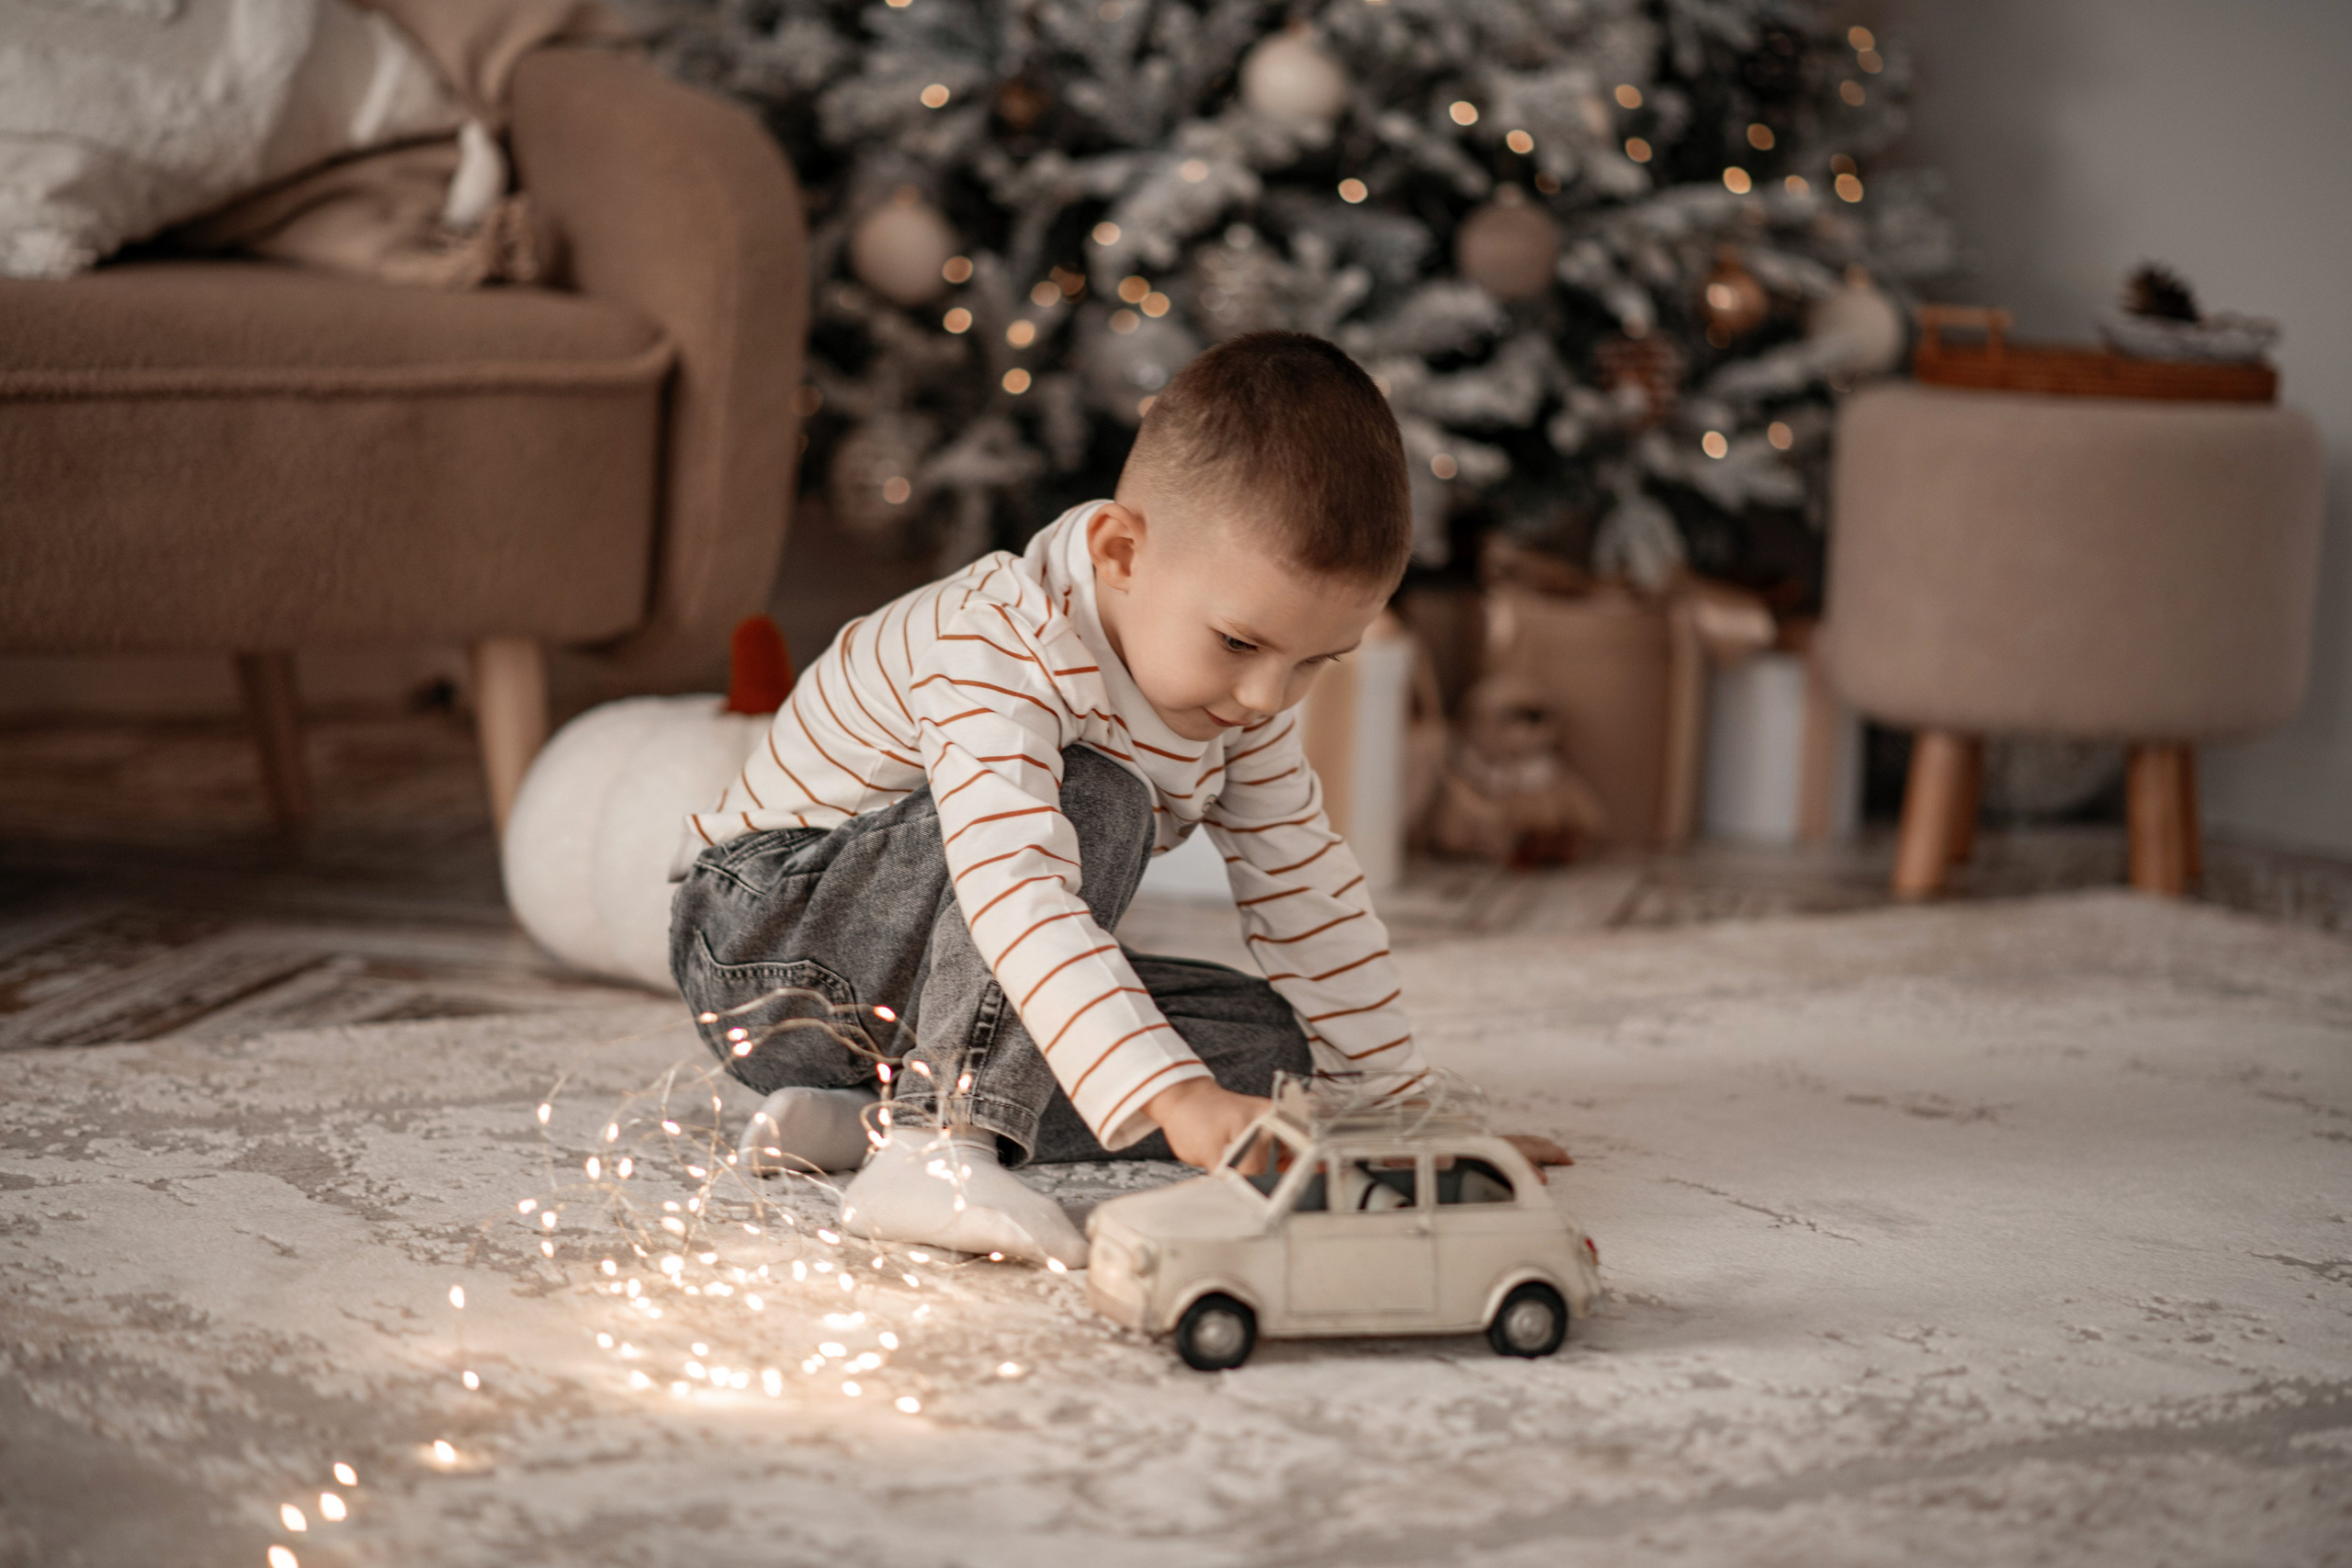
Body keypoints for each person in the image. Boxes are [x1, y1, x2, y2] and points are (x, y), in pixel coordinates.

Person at [668, 330, 1564, 1268]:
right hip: (765, 951)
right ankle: (938, 1147)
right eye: (1239, 645)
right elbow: (1013, 888)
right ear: (1121, 552)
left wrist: (1397, 1116)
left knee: (1279, 1057)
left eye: (1314, 664)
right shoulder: (999, 646)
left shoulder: (1241, 703)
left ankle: (863, 1124)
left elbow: (1308, 892)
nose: (1266, 697)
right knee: (1095, 795)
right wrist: (1172, 1100)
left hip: (903, 1009)